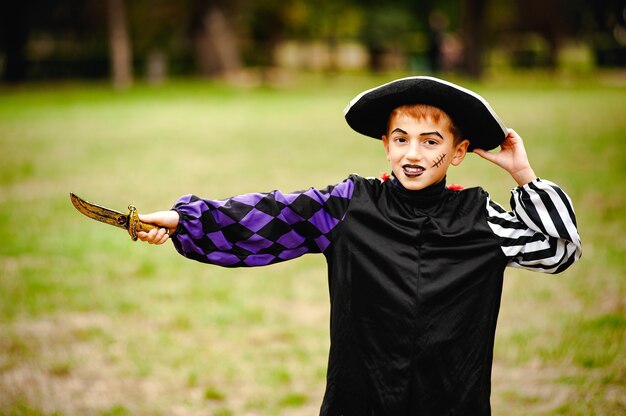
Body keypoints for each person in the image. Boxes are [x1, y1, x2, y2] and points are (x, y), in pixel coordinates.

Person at [136, 76, 582, 415]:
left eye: (431, 142)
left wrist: (523, 176)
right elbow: (271, 217)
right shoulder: (349, 206)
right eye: (401, 139)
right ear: (385, 144)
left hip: (451, 401)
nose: (413, 154)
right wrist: (183, 222)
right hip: (360, 400)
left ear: (459, 150)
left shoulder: (479, 218)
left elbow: (559, 249)